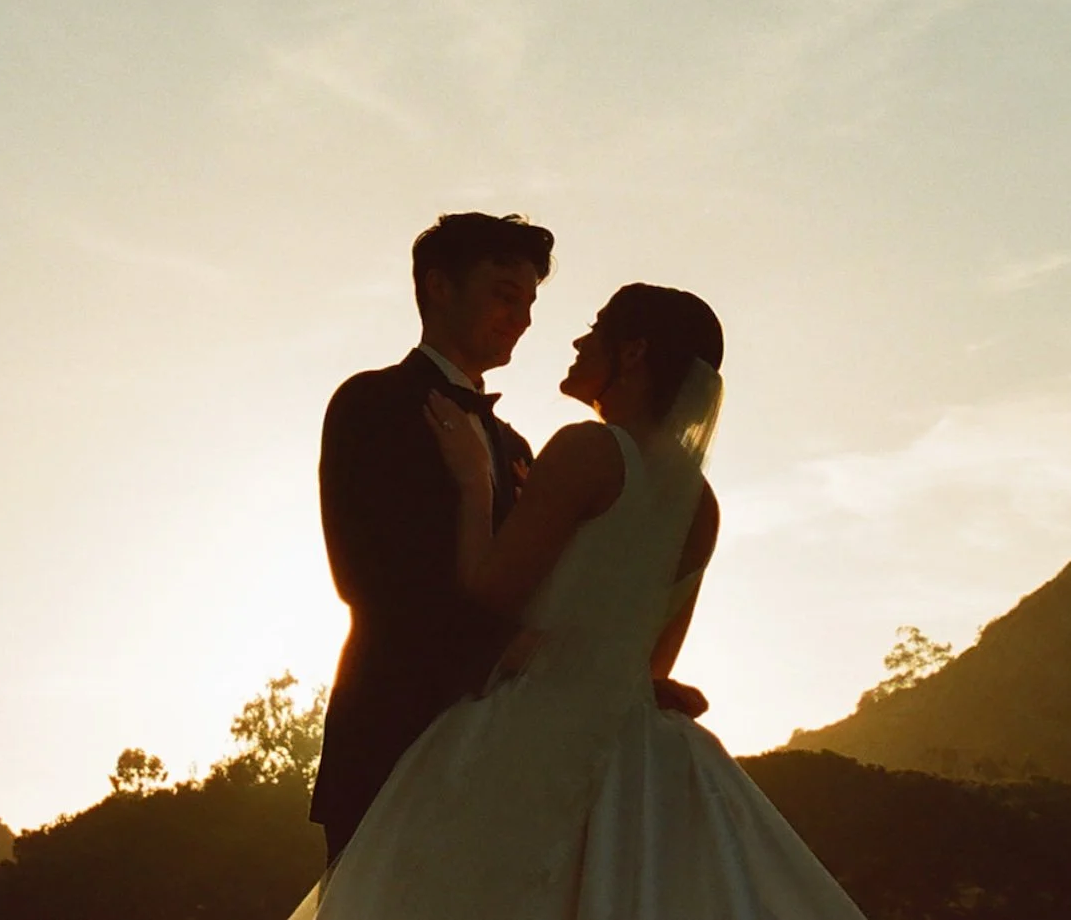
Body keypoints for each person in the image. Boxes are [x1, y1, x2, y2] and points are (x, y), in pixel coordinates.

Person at [294, 283, 866, 919]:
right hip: (632, 752)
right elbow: (654, 666)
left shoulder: (584, 450)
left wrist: (473, 486)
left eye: (596, 330)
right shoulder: (700, 504)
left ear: (633, 353)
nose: (576, 340)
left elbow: (487, 591)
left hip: (524, 734)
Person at [309, 214, 708, 865]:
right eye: (504, 294)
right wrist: (511, 648)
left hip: (510, 755)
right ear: (439, 286)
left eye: (528, 303)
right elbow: (364, 577)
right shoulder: (372, 402)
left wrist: (606, 673)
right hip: (393, 731)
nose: (521, 317)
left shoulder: (519, 447)